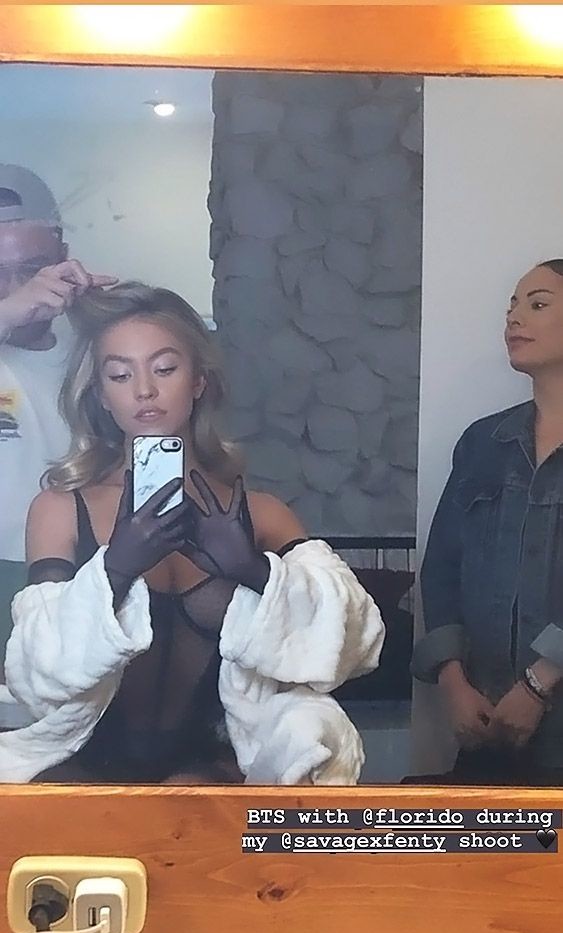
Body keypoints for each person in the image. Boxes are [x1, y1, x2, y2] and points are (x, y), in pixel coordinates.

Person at [1, 282, 385, 784]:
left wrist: (254, 571)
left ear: (199, 381)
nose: (144, 390)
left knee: (204, 793)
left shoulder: (262, 514)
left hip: (212, 773)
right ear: (100, 394)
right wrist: (115, 569)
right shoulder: (61, 508)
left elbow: (356, 641)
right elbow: (33, 667)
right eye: (120, 374)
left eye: (164, 369)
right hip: (85, 771)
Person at [411, 259, 563, 785]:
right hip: (486, 730)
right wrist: (452, 681)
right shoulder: (482, 443)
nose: (514, 318)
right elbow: (440, 570)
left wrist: (542, 681)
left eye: (537, 304)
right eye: (511, 306)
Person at [0, 164, 116, 669]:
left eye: (31, 269)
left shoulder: (92, 344)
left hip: (85, 566)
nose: (14, 287)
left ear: (64, 259)